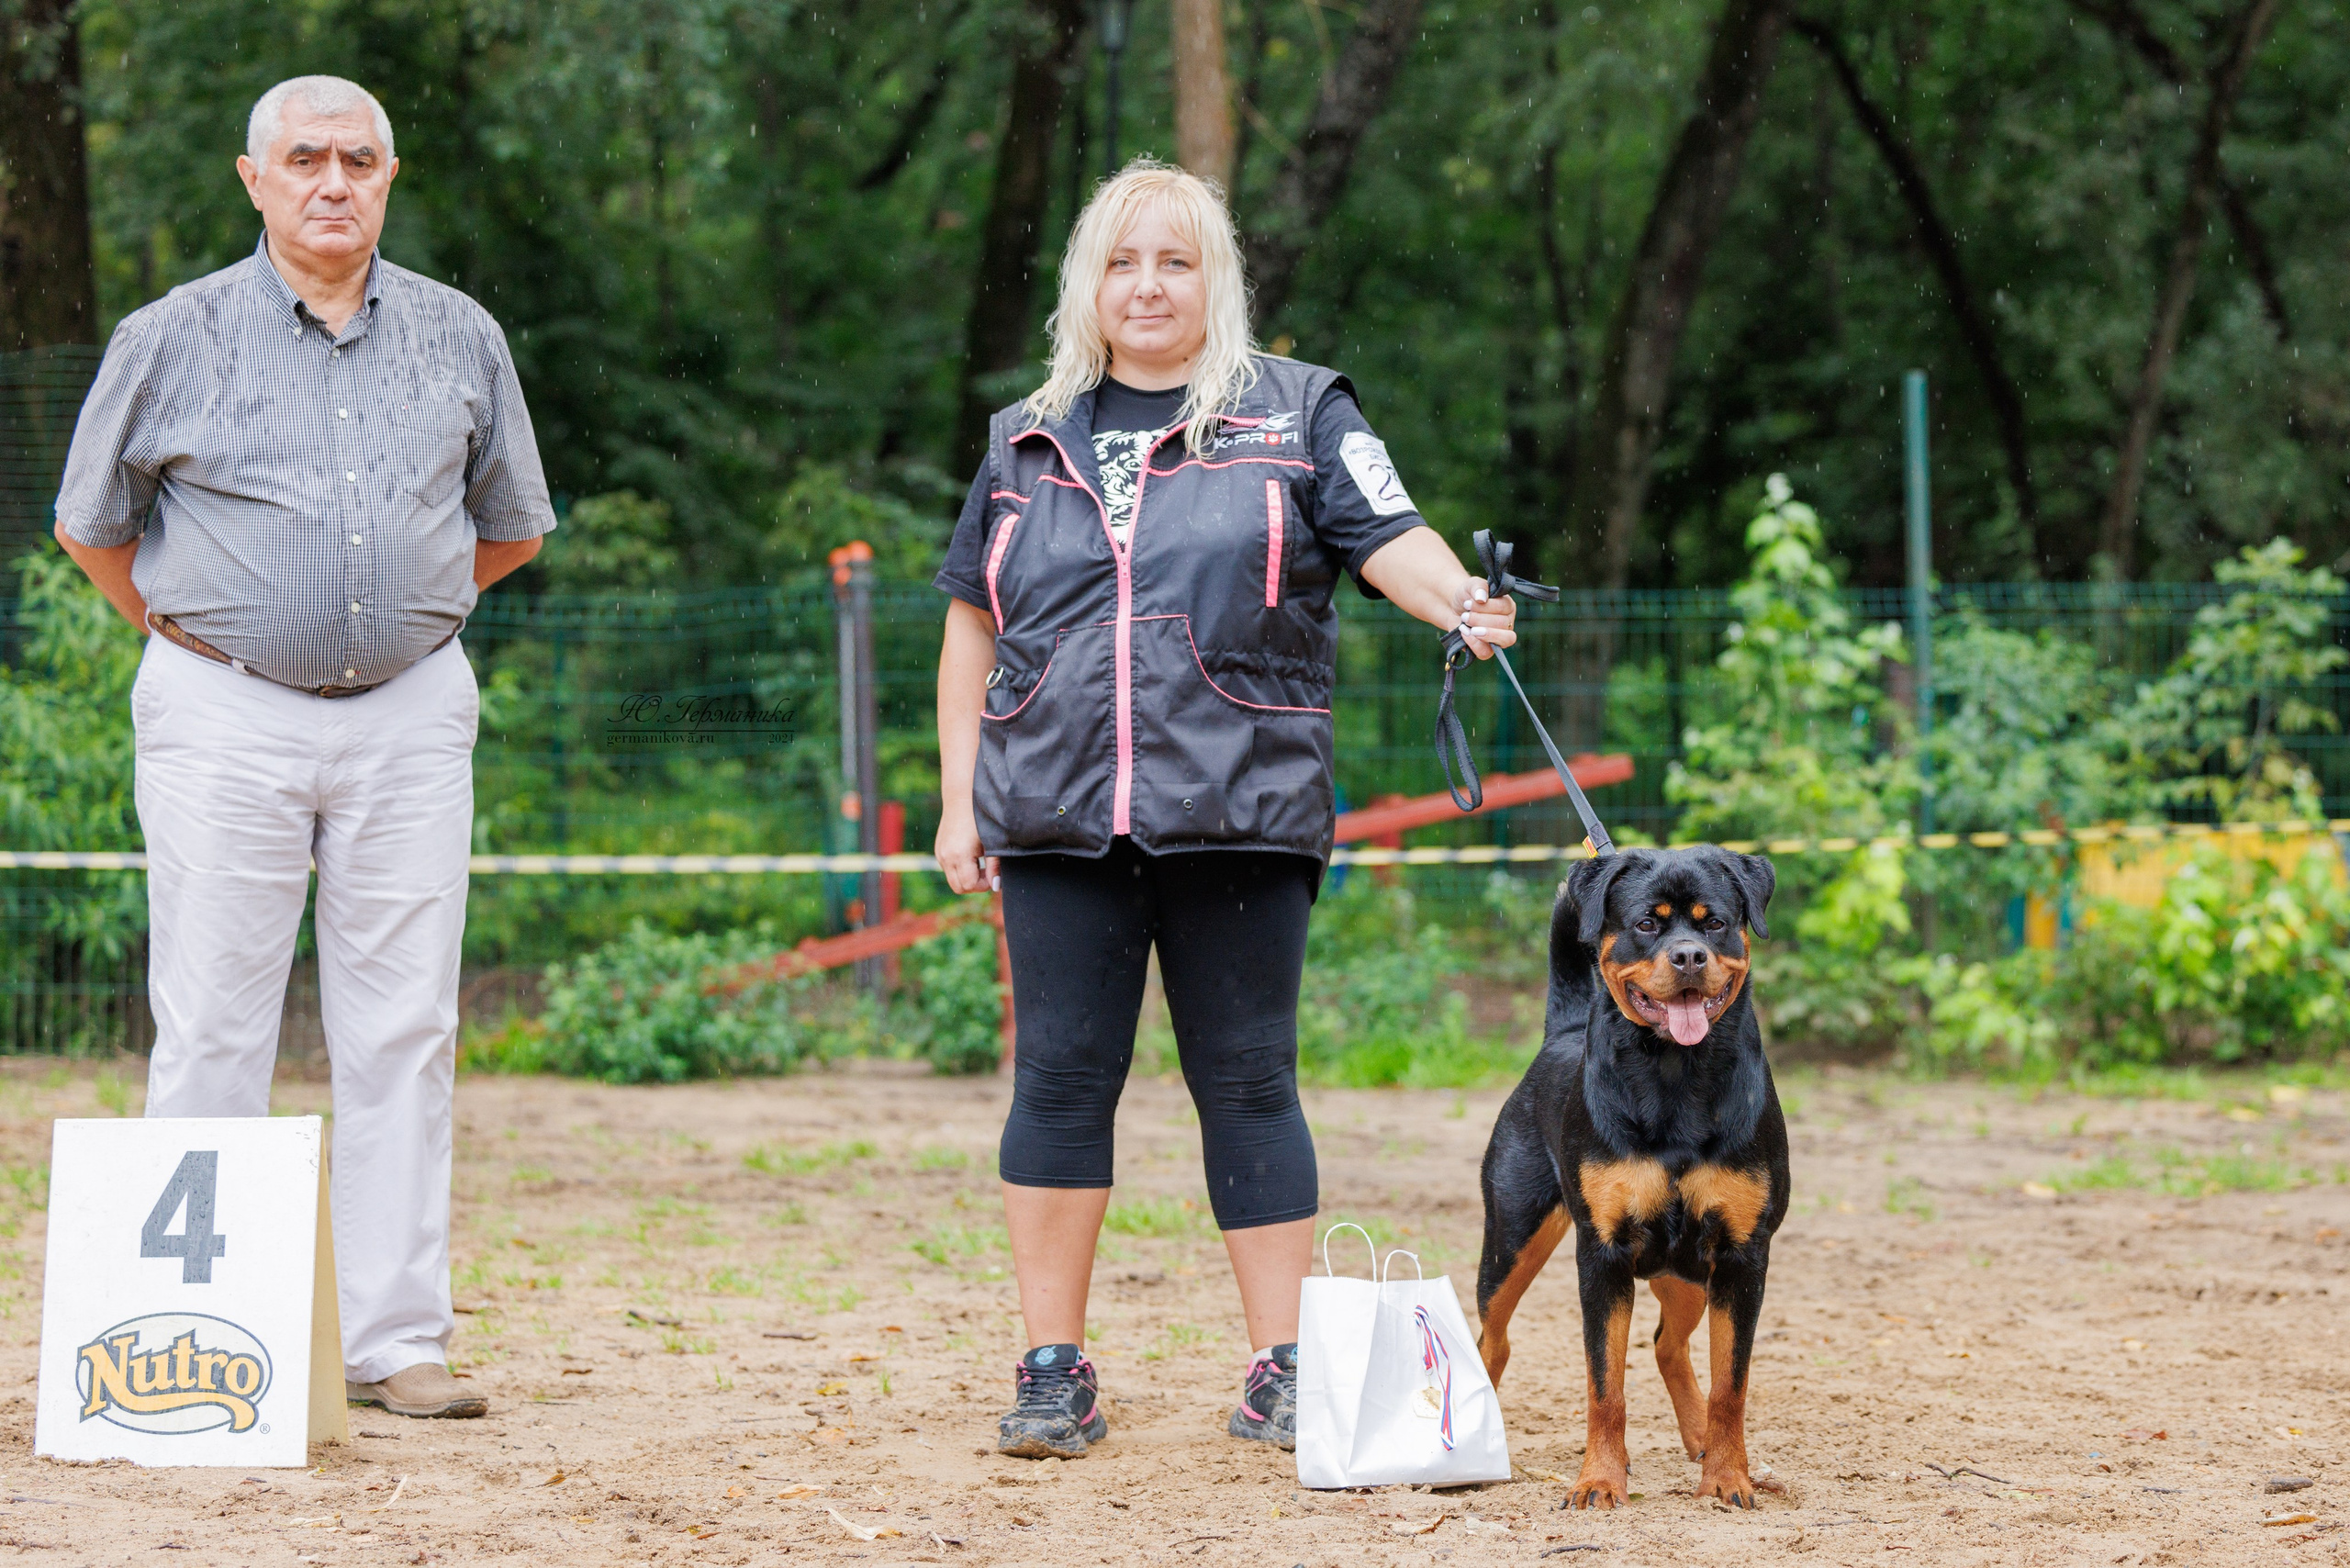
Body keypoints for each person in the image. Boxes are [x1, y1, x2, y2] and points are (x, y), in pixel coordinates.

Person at [932, 160, 1517, 1459]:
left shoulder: (1299, 411)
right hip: (1054, 810)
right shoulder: (1024, 432)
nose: (1149, 285)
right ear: (1092, 285)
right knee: (1062, 1080)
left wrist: (1459, 605)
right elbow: (974, 618)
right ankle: (1051, 1368)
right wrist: (956, 797)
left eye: (1177, 261)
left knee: (1250, 1080)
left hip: (1242, 802)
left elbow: (1392, 536)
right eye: (1125, 262)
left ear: (1217, 283)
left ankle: (1286, 1369)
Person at [51, 74, 555, 1419]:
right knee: (214, 1020)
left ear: (389, 178)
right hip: (221, 708)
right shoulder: (172, 335)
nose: (334, 181)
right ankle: (199, 1324)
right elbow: (91, 530)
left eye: (359, 160)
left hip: (409, 711)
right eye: (306, 159)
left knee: (404, 1027)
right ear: (253, 178)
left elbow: (510, 528)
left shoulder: (461, 337)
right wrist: (207, 636)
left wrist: (397, 621)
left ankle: (397, 1342)